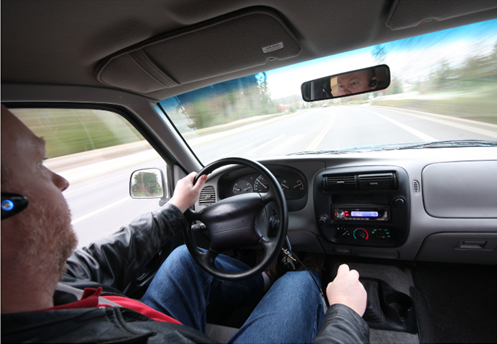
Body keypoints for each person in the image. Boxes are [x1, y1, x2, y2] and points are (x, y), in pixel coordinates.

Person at [1, 105, 369, 343]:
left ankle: (263, 279)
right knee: (300, 282)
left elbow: (108, 255)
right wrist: (346, 315)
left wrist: (176, 207)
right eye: (37, 165)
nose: (60, 181)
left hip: (139, 320)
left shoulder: (50, 283)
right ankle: (289, 281)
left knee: (184, 256)